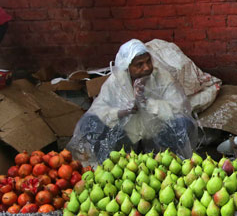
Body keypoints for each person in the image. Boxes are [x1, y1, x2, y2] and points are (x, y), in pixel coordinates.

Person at [68, 39, 198, 164]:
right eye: (139, 65)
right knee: (90, 122)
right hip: (126, 137)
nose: (147, 67)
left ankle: (169, 162)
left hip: (157, 135)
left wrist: (147, 103)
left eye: (148, 61)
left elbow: (179, 107)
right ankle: (110, 165)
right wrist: (121, 112)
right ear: (127, 67)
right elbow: (99, 109)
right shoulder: (116, 81)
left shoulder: (162, 77)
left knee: (183, 123)